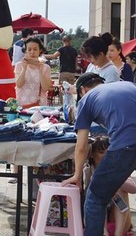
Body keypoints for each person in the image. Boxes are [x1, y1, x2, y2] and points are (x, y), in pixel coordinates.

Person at [62, 74, 136, 236]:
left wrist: (77, 174)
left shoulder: (85, 101)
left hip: (127, 145)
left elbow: (81, 146)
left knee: (95, 197)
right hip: (128, 143)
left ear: (82, 90)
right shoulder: (126, 86)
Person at [83, 135, 136, 236]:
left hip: (118, 219)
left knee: (120, 189)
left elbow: (134, 189)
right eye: (101, 152)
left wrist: (114, 183)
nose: (105, 156)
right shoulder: (88, 170)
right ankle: (104, 232)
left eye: (108, 152)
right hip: (95, 217)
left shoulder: (117, 168)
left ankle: (118, 234)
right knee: (98, 189)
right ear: (93, 155)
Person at [14, 37, 52, 108]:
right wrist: (24, 68)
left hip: (39, 106)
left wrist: (41, 71)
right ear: (26, 51)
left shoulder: (46, 67)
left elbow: (45, 88)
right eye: (29, 49)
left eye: (35, 49)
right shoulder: (19, 65)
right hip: (22, 105)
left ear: (40, 50)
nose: (32, 52)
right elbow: (19, 84)